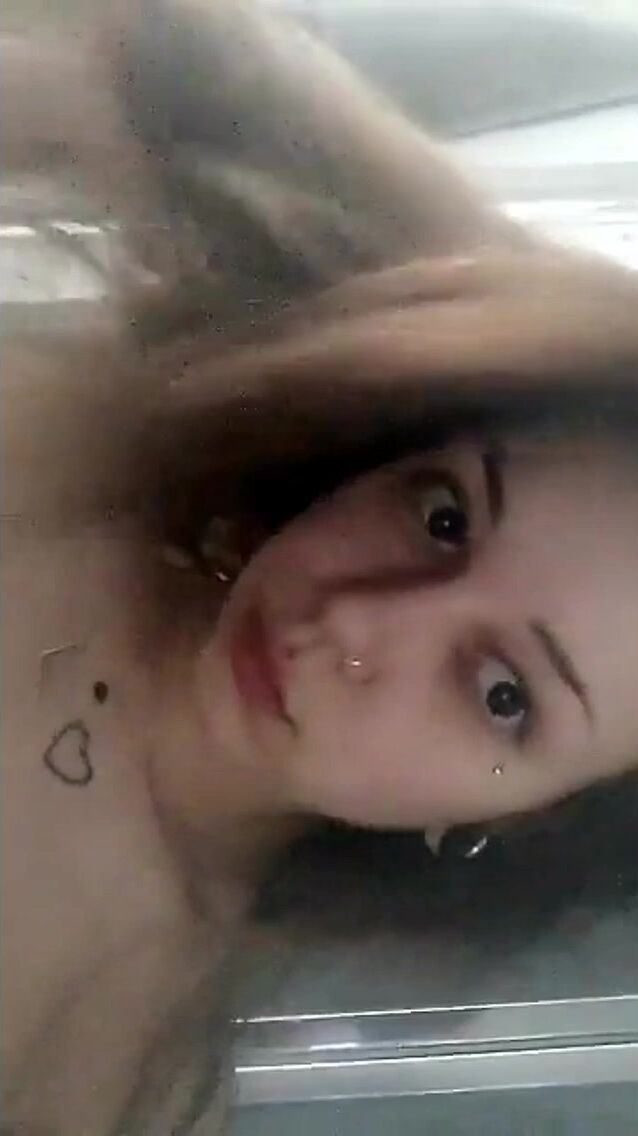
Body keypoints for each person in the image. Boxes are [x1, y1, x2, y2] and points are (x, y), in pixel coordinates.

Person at [3, 2, 638, 1134]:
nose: (352, 619)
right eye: (441, 515)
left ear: (521, 822)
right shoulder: (113, 446)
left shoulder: (95, 1057)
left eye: (500, 693)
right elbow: (182, 54)